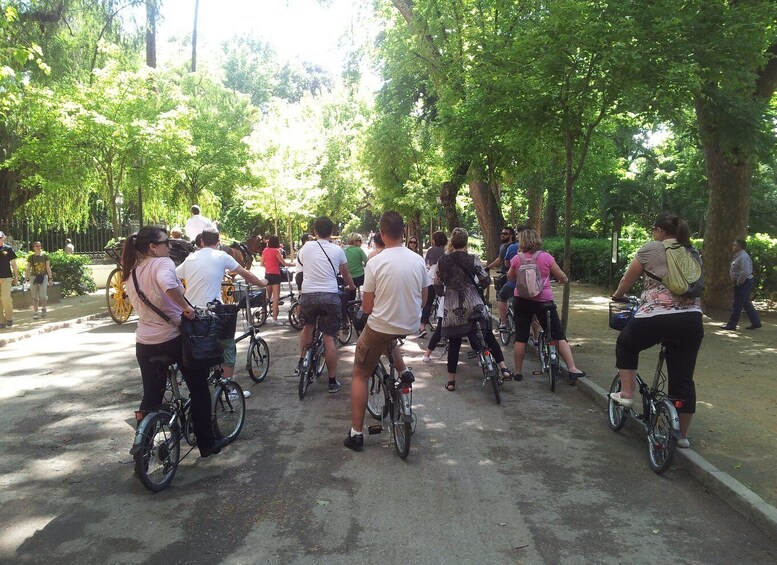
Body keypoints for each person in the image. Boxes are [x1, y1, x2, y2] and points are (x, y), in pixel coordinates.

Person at [122, 226, 228, 458]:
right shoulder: (162, 263)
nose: (169, 247)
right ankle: (206, 444)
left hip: (145, 342)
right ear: (153, 247)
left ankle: (143, 448)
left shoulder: (132, 271)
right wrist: (186, 308)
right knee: (199, 389)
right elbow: (168, 284)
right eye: (165, 242)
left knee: (151, 396)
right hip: (173, 339)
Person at [610, 212, 704, 449]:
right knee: (683, 379)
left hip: (656, 316)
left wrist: (618, 296)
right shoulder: (691, 251)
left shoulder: (651, 249)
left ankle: (627, 395)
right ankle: (681, 436)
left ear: (660, 231)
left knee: (626, 343)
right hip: (691, 320)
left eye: (653, 229)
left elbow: (627, 280)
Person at [344, 211, 428, 451]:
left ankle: (356, 433)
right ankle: (403, 372)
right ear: (404, 232)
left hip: (382, 326)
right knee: (388, 336)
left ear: (381, 233)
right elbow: (424, 298)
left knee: (360, 372)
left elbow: (368, 307)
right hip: (410, 323)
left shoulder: (376, 262)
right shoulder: (417, 260)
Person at [176, 228, 268, 398]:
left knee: (198, 345)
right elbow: (246, 274)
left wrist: (182, 291)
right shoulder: (222, 256)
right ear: (218, 242)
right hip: (212, 312)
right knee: (228, 347)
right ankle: (228, 389)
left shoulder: (190, 258)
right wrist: (261, 283)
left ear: (201, 242)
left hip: (191, 311)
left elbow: (174, 276)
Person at [435, 228, 513, 391]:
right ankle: (504, 367)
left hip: (452, 307)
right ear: (466, 242)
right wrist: (476, 286)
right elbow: (485, 279)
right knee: (487, 335)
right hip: (473, 302)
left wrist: (445, 293)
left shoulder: (442, 261)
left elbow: (437, 283)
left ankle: (451, 381)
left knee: (455, 342)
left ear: (452, 242)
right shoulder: (473, 259)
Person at [507, 228, 585, 384]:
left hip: (521, 301)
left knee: (521, 337)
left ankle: (518, 372)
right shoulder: (546, 257)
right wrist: (563, 280)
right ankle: (572, 368)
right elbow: (562, 276)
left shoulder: (517, 258)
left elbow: (510, 277)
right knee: (558, 334)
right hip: (544, 301)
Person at [296, 217, 356, 393]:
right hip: (330, 296)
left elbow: (300, 272)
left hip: (308, 296)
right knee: (329, 337)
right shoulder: (338, 250)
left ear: (315, 231)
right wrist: (351, 286)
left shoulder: (305, 248)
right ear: (331, 232)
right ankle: (332, 381)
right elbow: (345, 274)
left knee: (308, 326)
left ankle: (302, 360)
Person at [721, 239, 762, 331]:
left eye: (734, 245)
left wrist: (739, 282)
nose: (733, 246)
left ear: (739, 246)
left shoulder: (743, 257)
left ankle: (732, 324)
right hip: (743, 282)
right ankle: (756, 322)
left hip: (743, 282)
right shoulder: (738, 256)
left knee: (737, 303)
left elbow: (745, 272)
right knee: (746, 303)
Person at [418, 230, 447, 338]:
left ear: (434, 240)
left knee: (428, 304)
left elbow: (427, 263)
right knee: (445, 303)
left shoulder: (431, 250)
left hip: (431, 279)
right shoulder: (447, 250)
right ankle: (445, 326)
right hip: (443, 280)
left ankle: (422, 326)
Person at [260, 235, 295, 324]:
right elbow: (283, 263)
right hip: (275, 275)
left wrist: (268, 266)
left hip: (267, 274)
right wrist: (294, 265)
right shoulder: (276, 251)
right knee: (276, 297)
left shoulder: (265, 250)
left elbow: (261, 264)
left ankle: (262, 315)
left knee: (267, 296)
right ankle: (275, 318)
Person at [488, 226, 516, 330]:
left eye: (505, 234)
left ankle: (504, 323)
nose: (502, 235)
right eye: (502, 233)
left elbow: (507, 263)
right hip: (503, 274)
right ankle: (504, 319)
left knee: (502, 296)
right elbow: (499, 259)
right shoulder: (502, 247)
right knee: (501, 297)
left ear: (511, 236)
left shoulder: (513, 247)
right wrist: (488, 267)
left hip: (510, 275)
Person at [27, 241, 53, 320]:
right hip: (34, 277)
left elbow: (48, 268)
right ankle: (35, 312)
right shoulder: (31, 257)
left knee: (42, 294)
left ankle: (44, 308)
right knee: (34, 296)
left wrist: (50, 279)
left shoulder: (45, 256)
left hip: (43, 276)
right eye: (37, 246)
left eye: (39, 246)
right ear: (34, 248)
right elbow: (28, 268)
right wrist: (26, 278)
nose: (38, 247)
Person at [0, 231, 19, 328]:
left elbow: (14, 264)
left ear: (4, 238)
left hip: (6, 277)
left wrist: (16, 277)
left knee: (5, 297)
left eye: (0, 237)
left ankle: (9, 318)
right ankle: (1, 321)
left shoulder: (8, 249)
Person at [343, 232, 368, 302]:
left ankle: (351, 305)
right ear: (355, 241)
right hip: (360, 277)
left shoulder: (343, 250)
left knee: (351, 293)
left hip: (347, 278)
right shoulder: (359, 250)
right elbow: (367, 262)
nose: (361, 243)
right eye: (360, 241)